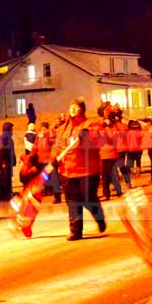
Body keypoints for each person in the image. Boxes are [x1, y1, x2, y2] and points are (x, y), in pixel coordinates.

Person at [53, 97, 107, 241]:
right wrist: (54, 158)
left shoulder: (90, 124)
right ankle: (76, 231)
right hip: (67, 171)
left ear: (82, 109)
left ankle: (98, 216)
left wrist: (88, 137)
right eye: (71, 106)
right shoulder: (63, 128)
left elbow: (99, 141)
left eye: (76, 106)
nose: (72, 108)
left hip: (87, 170)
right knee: (72, 201)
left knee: (87, 198)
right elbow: (58, 146)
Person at [0, 122, 16, 201]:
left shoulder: (4, 137)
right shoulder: (5, 138)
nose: (12, 130)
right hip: (6, 160)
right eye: (11, 129)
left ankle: (3, 195)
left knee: (4, 178)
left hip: (6, 160)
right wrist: (5, 161)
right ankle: (6, 195)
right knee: (6, 178)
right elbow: (3, 150)